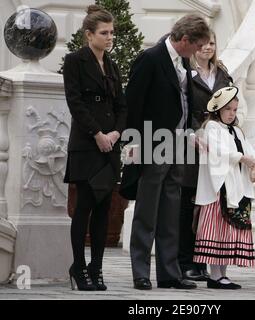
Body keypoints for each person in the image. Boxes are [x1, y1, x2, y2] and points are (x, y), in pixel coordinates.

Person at [122, 14, 210, 290]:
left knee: (171, 211)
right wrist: (132, 142)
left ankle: (170, 273)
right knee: (147, 210)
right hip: (153, 142)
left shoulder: (183, 60)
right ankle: (140, 272)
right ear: (184, 40)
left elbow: (183, 101)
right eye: (196, 46)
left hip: (179, 143)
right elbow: (133, 103)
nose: (198, 52)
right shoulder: (150, 59)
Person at [63, 5, 127, 291]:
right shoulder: (74, 61)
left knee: (104, 209)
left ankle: (97, 268)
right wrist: (97, 133)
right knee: (85, 208)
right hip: (87, 146)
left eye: (112, 32)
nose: (110, 37)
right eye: (104, 33)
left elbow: (122, 105)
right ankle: (78, 267)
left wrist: (115, 133)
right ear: (89, 35)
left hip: (109, 146)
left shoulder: (112, 65)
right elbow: (75, 102)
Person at [178, 30, 233, 282]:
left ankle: (203, 261)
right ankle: (185, 260)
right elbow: (183, 106)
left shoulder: (222, 73)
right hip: (193, 145)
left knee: (209, 204)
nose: (207, 47)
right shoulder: (184, 71)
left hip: (217, 148)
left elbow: (232, 106)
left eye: (212, 42)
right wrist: (193, 132)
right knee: (189, 203)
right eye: (203, 43)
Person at [193, 86, 255, 289]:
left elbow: (249, 149)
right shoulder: (212, 128)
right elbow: (218, 151)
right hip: (220, 189)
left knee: (228, 232)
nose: (232, 113)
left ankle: (222, 274)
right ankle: (214, 275)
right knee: (217, 230)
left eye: (234, 109)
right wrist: (242, 158)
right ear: (218, 110)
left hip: (236, 186)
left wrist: (254, 164)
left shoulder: (237, 131)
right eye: (228, 109)